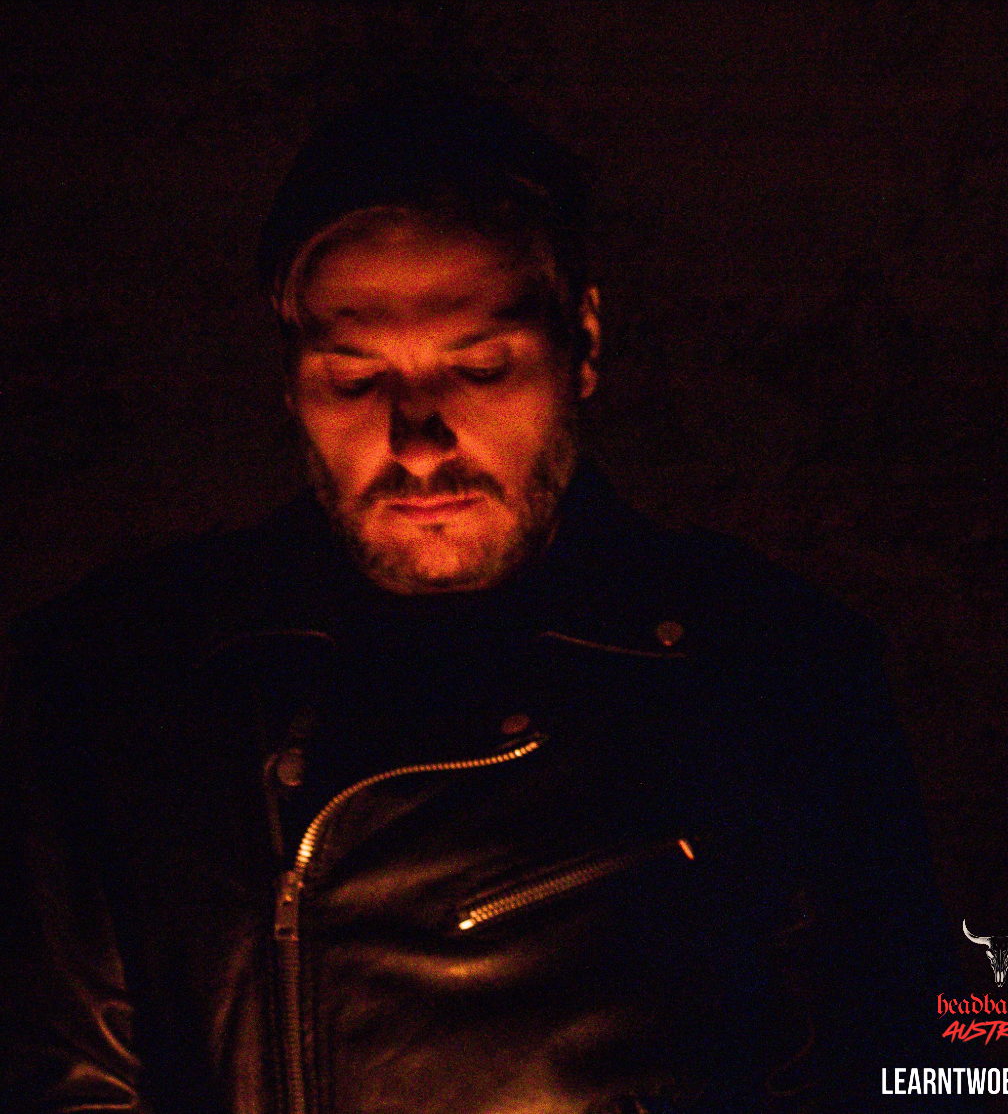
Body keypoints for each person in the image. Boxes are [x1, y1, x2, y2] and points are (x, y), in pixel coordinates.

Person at [1, 90, 955, 1113]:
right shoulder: (119, 682)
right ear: (289, 379)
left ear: (581, 346)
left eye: (481, 368)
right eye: (355, 378)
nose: (419, 441)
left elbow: (903, 1068)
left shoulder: (771, 679)